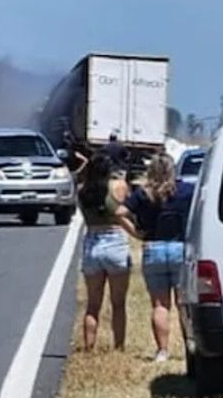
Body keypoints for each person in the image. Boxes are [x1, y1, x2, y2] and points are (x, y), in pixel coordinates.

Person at [118, 151, 194, 362]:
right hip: (180, 248)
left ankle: (162, 351)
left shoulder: (143, 194)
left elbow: (119, 212)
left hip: (154, 248)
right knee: (183, 303)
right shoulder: (186, 190)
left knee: (160, 305)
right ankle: (190, 346)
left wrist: (136, 233)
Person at [77, 152, 140, 351]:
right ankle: (119, 346)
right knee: (118, 303)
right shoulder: (118, 187)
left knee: (93, 304)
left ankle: (89, 347)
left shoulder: (82, 191)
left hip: (92, 242)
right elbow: (128, 207)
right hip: (114, 241)